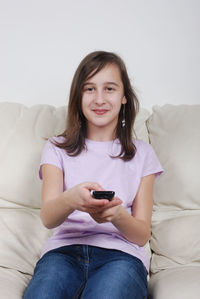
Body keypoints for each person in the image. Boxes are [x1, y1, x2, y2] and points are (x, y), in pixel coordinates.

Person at [23, 51, 163, 299]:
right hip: (63, 253)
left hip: (122, 256)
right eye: (89, 89)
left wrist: (117, 215)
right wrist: (72, 199)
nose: (99, 99)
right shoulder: (56, 148)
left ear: (124, 98)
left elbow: (141, 235)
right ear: (78, 96)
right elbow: (48, 217)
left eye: (109, 88)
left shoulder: (143, 154)